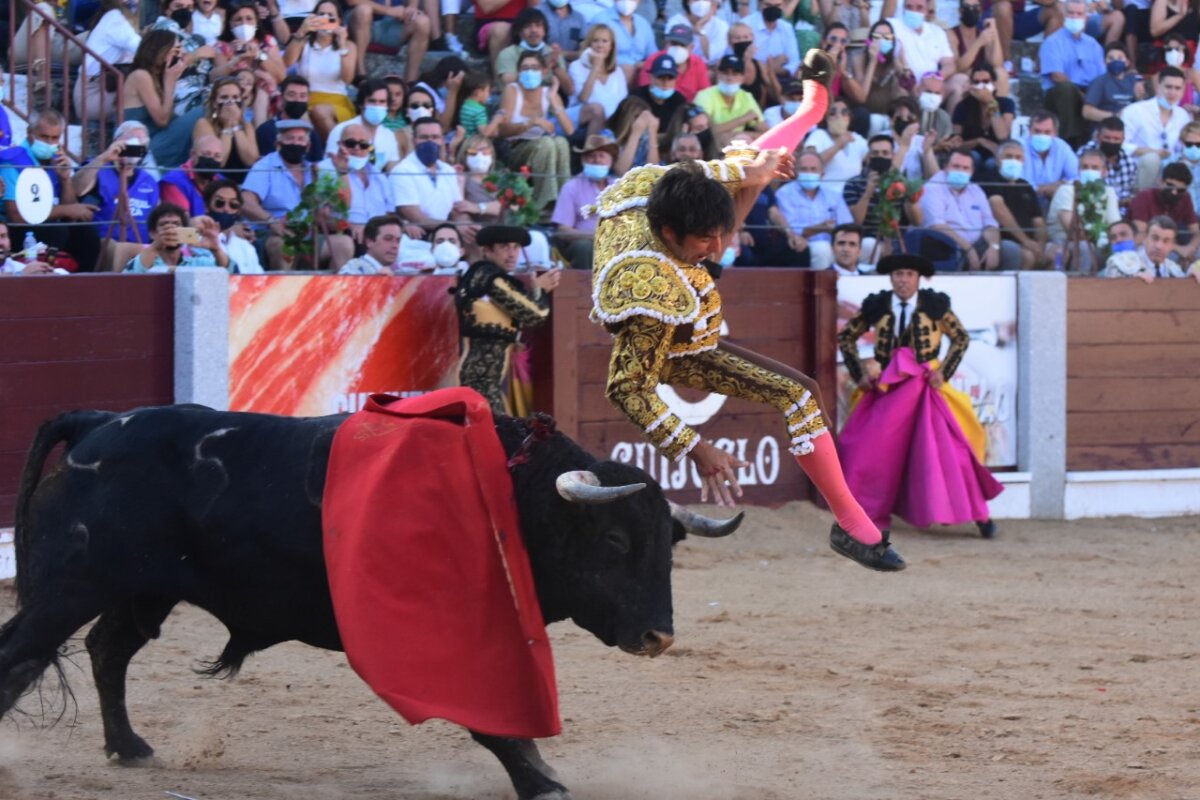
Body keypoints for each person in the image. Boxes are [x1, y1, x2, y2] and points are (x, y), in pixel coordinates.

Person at [588, 50, 906, 572]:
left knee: (750, 169)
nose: (717, 245)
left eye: (720, 234)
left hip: (674, 270)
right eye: (704, 239)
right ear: (670, 234)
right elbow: (626, 386)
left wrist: (756, 170)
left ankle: (810, 109)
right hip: (670, 343)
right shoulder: (647, 287)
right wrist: (696, 449)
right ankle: (852, 524)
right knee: (798, 390)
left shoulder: (651, 185)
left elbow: (726, 169)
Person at [836, 253, 1002, 539]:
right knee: (867, 449)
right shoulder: (879, 305)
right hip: (889, 386)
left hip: (926, 387)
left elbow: (961, 337)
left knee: (953, 452)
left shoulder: (934, 305)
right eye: (898, 274)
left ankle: (980, 517)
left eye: (909, 275)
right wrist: (859, 374)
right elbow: (846, 337)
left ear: (918, 278)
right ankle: (859, 513)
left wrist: (944, 372)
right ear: (891, 278)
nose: (903, 280)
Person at [454, 225, 560, 415]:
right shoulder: (491, 279)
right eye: (504, 247)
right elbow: (537, 314)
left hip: (485, 380)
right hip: (481, 382)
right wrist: (540, 290)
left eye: (516, 247)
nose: (512, 254)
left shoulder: (484, 275)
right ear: (487, 250)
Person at [0, 109, 101, 272]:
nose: (49, 143)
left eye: (55, 138)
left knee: (86, 232)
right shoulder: (14, 161)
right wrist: (65, 210)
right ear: (30, 133)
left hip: (49, 226)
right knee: (56, 231)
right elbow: (16, 216)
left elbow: (71, 214)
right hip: (17, 230)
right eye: (44, 137)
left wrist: (65, 179)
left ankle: (83, 285)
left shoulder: (55, 162)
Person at [497, 50, 574, 213]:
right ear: (518, 72)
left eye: (534, 67)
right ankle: (544, 204)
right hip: (516, 149)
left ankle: (565, 202)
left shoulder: (548, 93)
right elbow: (502, 131)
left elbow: (569, 129)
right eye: (525, 68)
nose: (529, 72)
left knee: (560, 142)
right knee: (546, 143)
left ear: (544, 71)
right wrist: (531, 123)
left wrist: (553, 97)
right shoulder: (512, 90)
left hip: (541, 150)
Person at [919, 147, 1015, 270]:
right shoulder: (932, 188)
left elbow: (989, 223)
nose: (960, 171)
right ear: (945, 167)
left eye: (965, 168)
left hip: (978, 243)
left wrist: (993, 246)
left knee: (1011, 250)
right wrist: (968, 249)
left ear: (972, 171)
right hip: (949, 243)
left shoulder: (976, 190)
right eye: (956, 166)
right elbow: (937, 226)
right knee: (954, 254)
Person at [73, 121, 161, 246]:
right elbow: (76, 189)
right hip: (104, 245)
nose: (136, 148)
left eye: (142, 145)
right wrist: (103, 158)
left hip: (142, 247)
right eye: (131, 142)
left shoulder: (149, 180)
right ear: (116, 141)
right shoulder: (99, 168)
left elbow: (157, 217)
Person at [843, 134, 925, 262]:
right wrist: (868, 193)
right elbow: (857, 221)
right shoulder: (853, 184)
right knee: (868, 244)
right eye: (875, 153)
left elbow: (917, 221)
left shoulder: (902, 182)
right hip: (867, 239)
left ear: (892, 156)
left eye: (885, 153)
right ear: (869, 157)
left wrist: (909, 195)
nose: (880, 156)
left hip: (897, 239)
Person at [1038, 0, 1105, 148]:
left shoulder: (1094, 45)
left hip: (1089, 91)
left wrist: (1092, 96)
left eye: (1079, 14)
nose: (1075, 17)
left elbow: (1102, 77)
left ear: (1086, 17)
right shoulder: (1052, 42)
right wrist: (1082, 96)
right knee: (1066, 90)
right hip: (1060, 93)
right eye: (1071, 13)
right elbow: (1056, 76)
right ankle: (1071, 142)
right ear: (1064, 15)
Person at [771, 152, 854, 268]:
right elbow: (792, 229)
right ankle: (821, 285)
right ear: (796, 172)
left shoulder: (833, 194)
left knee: (865, 246)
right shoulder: (784, 193)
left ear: (822, 174)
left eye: (813, 169)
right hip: (801, 245)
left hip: (835, 244)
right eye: (804, 169)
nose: (809, 173)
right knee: (822, 249)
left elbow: (847, 225)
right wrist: (819, 228)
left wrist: (836, 233)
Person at [319, 123, 398, 243]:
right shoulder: (324, 169)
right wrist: (348, 226)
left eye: (363, 144)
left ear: (370, 148)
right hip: (346, 235)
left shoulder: (378, 175)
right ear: (340, 145)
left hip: (378, 239)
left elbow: (390, 213)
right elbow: (322, 216)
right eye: (350, 143)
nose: (357, 148)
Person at [1046, 147, 1121, 270]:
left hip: (1098, 242)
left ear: (1104, 171)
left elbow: (1115, 226)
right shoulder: (1067, 190)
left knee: (1121, 249)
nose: (1089, 171)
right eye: (1085, 167)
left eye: (1095, 168)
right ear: (1078, 170)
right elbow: (1073, 230)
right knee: (1084, 247)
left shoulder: (1109, 192)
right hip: (1063, 242)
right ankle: (1080, 285)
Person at [550, 133, 617, 270]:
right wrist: (593, 237)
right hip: (583, 245)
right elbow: (563, 230)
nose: (596, 160)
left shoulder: (619, 187)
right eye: (591, 156)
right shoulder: (572, 186)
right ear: (583, 161)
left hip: (616, 242)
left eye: (601, 155)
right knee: (585, 247)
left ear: (611, 161)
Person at [1121, 67, 1191, 191]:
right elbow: (1121, 144)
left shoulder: (1183, 116)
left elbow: (1184, 149)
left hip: (1171, 172)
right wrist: (1151, 152)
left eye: (1177, 88)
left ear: (1183, 90)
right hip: (1138, 170)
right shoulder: (1135, 110)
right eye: (1168, 87)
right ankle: (1141, 204)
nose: (1172, 93)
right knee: (1151, 159)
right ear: (1158, 86)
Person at [390, 117, 462, 237]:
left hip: (447, 232)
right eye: (424, 137)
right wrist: (456, 228)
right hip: (419, 234)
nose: (430, 142)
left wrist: (466, 225)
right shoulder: (402, 171)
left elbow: (458, 208)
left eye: (435, 137)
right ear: (414, 141)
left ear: (442, 140)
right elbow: (415, 216)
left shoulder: (448, 170)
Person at [983, 139, 1047, 269]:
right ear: (997, 159)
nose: (1014, 161)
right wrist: (1025, 241)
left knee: (1053, 255)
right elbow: (998, 208)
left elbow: (1038, 221)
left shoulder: (1026, 185)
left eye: (1018, 157)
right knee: (1027, 257)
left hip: (1029, 243)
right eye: (1008, 156)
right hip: (1003, 240)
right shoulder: (990, 179)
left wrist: (1040, 245)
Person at [74, 0, 141, 123]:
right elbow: (142, 49)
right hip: (91, 94)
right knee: (142, 89)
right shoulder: (115, 19)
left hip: (105, 89)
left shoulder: (116, 17)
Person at [123, 202, 231, 272]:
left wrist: (216, 249)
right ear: (153, 233)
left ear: (185, 229)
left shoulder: (198, 263)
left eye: (176, 224)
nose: (171, 229)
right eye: (164, 224)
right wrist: (155, 246)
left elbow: (232, 275)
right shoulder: (145, 263)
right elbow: (128, 278)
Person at [192, 77, 261, 185]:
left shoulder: (247, 126)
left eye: (235, 97)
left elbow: (251, 160)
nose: (230, 102)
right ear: (215, 103)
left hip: (242, 184)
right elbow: (219, 161)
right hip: (213, 184)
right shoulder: (204, 124)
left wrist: (235, 125)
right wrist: (227, 126)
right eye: (224, 97)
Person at [324, 78, 402, 173]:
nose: (377, 106)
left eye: (382, 102)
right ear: (361, 104)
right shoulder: (341, 130)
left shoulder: (389, 136)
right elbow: (328, 168)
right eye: (372, 101)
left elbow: (394, 171)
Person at [1129, 163, 1200, 263]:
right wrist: (1179, 249)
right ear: (1160, 181)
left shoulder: (1185, 197)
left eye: (1180, 190)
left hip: (1169, 242)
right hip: (1146, 246)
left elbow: (1196, 232)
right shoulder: (1144, 197)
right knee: (1171, 256)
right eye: (1170, 186)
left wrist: (1189, 248)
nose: (1174, 192)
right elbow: (1140, 237)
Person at [568, 23, 628, 134]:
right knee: (597, 109)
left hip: (611, 124)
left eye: (605, 41)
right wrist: (595, 67)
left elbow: (622, 104)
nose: (600, 45)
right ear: (589, 44)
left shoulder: (618, 71)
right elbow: (583, 98)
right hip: (583, 121)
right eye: (595, 41)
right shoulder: (576, 66)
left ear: (611, 46)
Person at [693, 55, 764, 148]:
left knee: (742, 139)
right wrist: (742, 119)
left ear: (742, 78)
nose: (730, 78)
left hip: (737, 146)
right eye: (725, 73)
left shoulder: (746, 97)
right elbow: (704, 132)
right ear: (718, 74)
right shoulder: (704, 96)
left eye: (735, 74)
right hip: (708, 147)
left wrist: (739, 134)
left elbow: (766, 132)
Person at [951, 65, 1015, 167]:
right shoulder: (962, 106)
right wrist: (980, 141)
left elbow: (1002, 135)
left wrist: (990, 102)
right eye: (977, 82)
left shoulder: (1006, 104)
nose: (982, 86)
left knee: (992, 163)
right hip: (971, 154)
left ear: (994, 84)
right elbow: (955, 143)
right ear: (971, 85)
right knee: (974, 157)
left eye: (986, 82)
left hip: (996, 154)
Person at [1103, 215, 1200, 281]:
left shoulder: (1174, 269)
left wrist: (1190, 281)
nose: (1159, 246)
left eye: (1166, 241)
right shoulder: (1121, 262)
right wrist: (1131, 282)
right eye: (1155, 238)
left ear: (1172, 245)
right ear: (1145, 238)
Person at [803, 99, 868, 191]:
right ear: (826, 118)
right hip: (825, 194)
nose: (838, 116)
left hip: (851, 197)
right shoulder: (818, 135)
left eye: (844, 113)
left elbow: (873, 157)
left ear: (850, 118)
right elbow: (810, 163)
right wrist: (838, 145)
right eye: (833, 113)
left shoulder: (857, 139)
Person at [256, 75, 325, 162]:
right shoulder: (266, 130)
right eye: (292, 95)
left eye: (302, 96)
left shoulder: (312, 134)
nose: (297, 100)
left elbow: (317, 166)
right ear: (281, 98)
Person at [201, 178, 264, 273]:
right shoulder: (197, 242)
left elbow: (259, 280)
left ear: (238, 210)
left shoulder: (246, 247)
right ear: (206, 206)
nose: (226, 209)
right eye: (220, 203)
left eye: (233, 204)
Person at [635, 24, 709, 104]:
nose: (677, 48)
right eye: (674, 44)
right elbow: (645, 91)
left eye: (682, 45)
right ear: (666, 44)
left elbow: (705, 95)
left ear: (691, 48)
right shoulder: (654, 60)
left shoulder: (698, 64)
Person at [888, 0, 955, 84]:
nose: (913, 11)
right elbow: (876, 48)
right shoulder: (891, 26)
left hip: (933, 85)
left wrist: (936, 78)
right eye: (909, 7)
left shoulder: (937, 32)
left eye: (919, 8)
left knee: (960, 80)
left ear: (927, 10)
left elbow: (949, 64)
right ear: (903, 8)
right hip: (903, 84)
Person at [592, 0, 657, 82]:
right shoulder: (601, 19)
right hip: (609, 70)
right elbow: (593, 52)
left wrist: (643, 65)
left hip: (640, 71)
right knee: (627, 70)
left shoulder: (643, 23)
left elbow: (653, 55)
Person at [1023, 110, 1080, 204]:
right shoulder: (1018, 147)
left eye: (1047, 132)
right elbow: (1019, 184)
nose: (1042, 135)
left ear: (1055, 133)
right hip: (1025, 199)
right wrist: (1046, 188)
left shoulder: (1062, 147)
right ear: (1029, 131)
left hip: (1054, 198)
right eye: (1037, 131)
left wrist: (1062, 185)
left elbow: (1076, 177)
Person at [160, 136, 226, 216]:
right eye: (206, 154)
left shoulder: (221, 180)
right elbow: (182, 221)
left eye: (217, 156)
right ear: (192, 154)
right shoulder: (173, 181)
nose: (211, 160)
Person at [1083, 43, 1145, 124]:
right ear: (1104, 62)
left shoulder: (1134, 81)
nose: (1115, 61)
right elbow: (1087, 112)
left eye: (1120, 58)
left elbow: (1143, 110)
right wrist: (1115, 116)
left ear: (1127, 62)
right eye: (1111, 58)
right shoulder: (1099, 82)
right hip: (1106, 127)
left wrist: (1140, 98)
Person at [665, 0, 729, 65]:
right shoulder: (675, 22)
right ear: (688, 2)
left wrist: (700, 28)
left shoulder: (721, 26)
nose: (701, 2)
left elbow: (710, 56)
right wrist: (694, 28)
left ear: (713, 4)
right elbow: (674, 53)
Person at [747, 0, 801, 76]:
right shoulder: (747, 25)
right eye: (768, 5)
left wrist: (772, 70)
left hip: (783, 79)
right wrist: (775, 64)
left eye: (777, 6)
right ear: (760, 3)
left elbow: (794, 62)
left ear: (783, 5)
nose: (772, 9)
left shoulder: (787, 27)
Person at [339, 214, 403, 274]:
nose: (395, 246)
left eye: (398, 240)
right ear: (369, 242)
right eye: (388, 239)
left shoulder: (399, 271)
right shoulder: (353, 269)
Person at [1168, 122, 1200, 211]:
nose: (1194, 148)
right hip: (1182, 219)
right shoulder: (1170, 164)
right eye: (1189, 144)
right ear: (1181, 142)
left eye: (1198, 145)